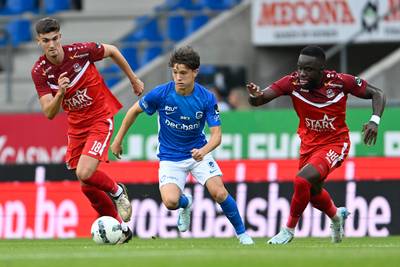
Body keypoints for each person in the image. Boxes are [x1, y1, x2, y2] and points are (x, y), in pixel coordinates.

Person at [111, 46, 254, 245]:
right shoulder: (161, 94)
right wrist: (118, 139)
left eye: (183, 73)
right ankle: (185, 203)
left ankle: (242, 235)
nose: (178, 77)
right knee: (170, 202)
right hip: (170, 157)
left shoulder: (206, 98)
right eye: (175, 72)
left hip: (198, 153)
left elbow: (217, 136)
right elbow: (134, 111)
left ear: (195, 72)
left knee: (219, 192)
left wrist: (203, 151)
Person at [247, 45, 386, 244]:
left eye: (308, 69)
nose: (302, 73)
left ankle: (288, 230)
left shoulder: (340, 82)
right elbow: (260, 100)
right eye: (300, 67)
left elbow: (378, 93)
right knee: (312, 194)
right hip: (308, 145)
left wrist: (374, 120)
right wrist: (255, 96)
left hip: (335, 143)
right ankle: (337, 217)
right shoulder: (292, 82)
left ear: (322, 70)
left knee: (302, 181)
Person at [31, 17, 144, 244]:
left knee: (84, 173)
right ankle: (120, 229)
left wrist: (133, 79)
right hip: (76, 127)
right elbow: (49, 113)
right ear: (39, 42)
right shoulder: (40, 71)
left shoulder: (81, 52)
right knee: (86, 185)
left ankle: (117, 191)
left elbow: (112, 51)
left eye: (54, 39)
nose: (51, 45)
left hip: (100, 118)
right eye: (46, 41)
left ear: (60, 37)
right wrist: (60, 93)